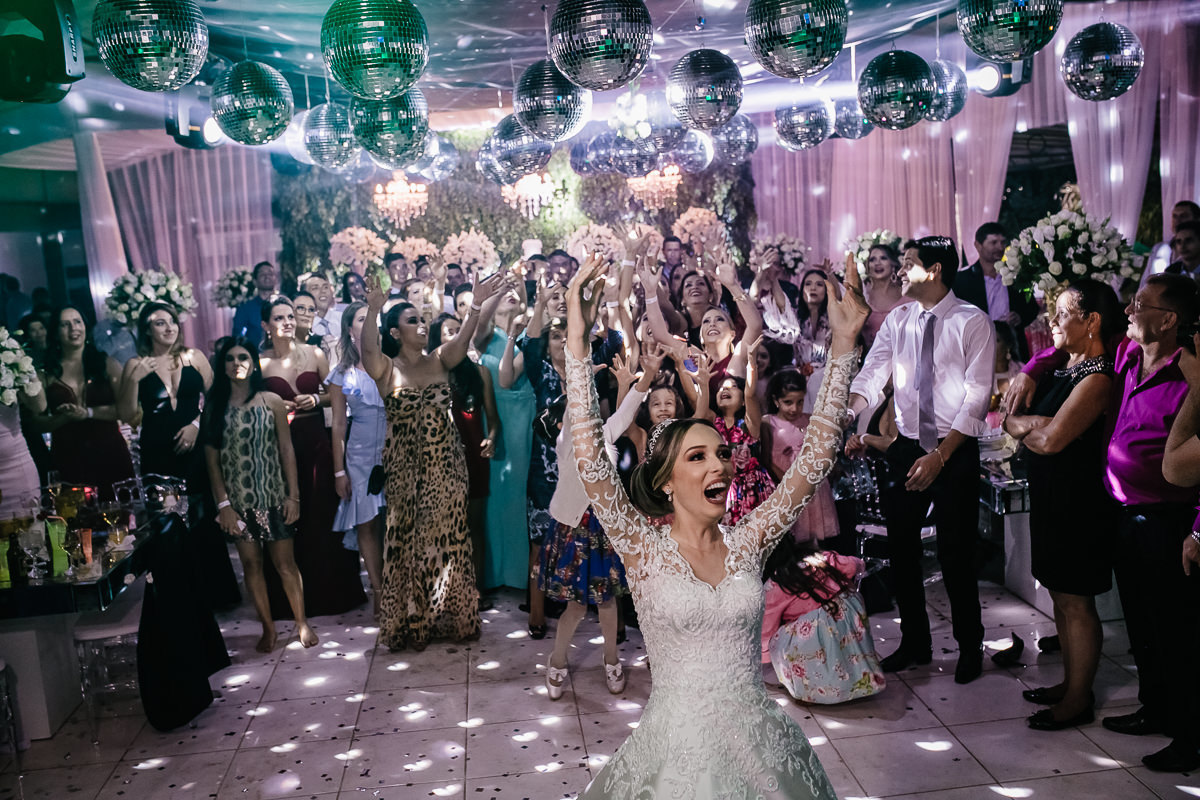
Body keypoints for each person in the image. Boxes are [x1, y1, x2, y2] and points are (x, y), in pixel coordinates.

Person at [563, 252, 867, 799]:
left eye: (721, 454)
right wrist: (578, 343)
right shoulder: (641, 548)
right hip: (675, 760)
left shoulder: (749, 541)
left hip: (763, 752)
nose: (719, 467)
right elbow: (589, 457)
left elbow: (816, 456)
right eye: (698, 457)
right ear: (666, 482)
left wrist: (844, 347)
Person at [1007, 273, 1200, 771]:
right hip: (1124, 512)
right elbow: (1071, 350)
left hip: (1169, 515)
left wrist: (1198, 527)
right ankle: (1155, 708)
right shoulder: (1128, 353)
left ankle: (1190, 736)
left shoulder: (1190, 372)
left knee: (1176, 629)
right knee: (1142, 623)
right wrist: (1030, 366)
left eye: (1141, 304)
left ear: (1169, 320)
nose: (1129, 311)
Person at [846, 237, 994, 684]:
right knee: (902, 550)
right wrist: (848, 410)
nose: (898, 271)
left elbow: (977, 398)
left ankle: (970, 646)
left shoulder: (972, 321)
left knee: (955, 554)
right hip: (907, 445)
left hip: (954, 447)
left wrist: (941, 456)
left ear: (933, 271)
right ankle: (915, 643)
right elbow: (874, 372)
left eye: (907, 263)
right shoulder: (899, 319)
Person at [1002, 280, 1121, 730]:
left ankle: (1078, 698)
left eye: (1063, 313)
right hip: (1052, 498)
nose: (1052, 320)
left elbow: (1051, 441)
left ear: (1091, 321)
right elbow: (1014, 422)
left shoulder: (1098, 377)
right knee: (1059, 594)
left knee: (1076, 600)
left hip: (1080, 504)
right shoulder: (1063, 367)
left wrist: (1030, 427)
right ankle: (1071, 682)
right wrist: (1035, 423)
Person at [360, 271, 502, 650]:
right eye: (413, 321)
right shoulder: (387, 369)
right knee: (408, 544)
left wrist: (476, 305)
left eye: (423, 320)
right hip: (404, 471)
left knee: (449, 541)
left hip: (447, 467)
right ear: (395, 333)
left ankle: (451, 618)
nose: (423, 326)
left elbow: (463, 340)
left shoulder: (440, 359)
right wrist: (373, 310)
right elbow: (367, 353)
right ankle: (413, 622)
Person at [541, 350, 655, 699]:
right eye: (580, 408)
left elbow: (628, 408)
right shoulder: (567, 441)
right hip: (574, 530)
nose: (586, 413)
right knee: (576, 606)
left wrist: (648, 375)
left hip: (603, 530)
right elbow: (573, 412)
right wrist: (581, 379)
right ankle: (557, 660)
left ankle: (611, 659)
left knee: (607, 603)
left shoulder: (605, 433)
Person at [117, 302, 240, 608]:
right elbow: (128, 415)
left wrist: (197, 425)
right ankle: (181, 599)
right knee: (168, 522)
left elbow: (216, 399)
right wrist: (133, 380)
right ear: (147, 330)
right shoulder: (135, 365)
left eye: (172, 321)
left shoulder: (193, 356)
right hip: (158, 452)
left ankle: (217, 596)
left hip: (196, 450)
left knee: (202, 519)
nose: (169, 327)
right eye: (160, 323)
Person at [204, 337, 316, 653]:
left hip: (274, 496)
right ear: (222, 366)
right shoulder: (214, 407)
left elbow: (286, 450)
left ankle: (302, 622)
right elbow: (212, 461)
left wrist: (293, 497)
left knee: (286, 564)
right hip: (238, 504)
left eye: (243, 357)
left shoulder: (271, 401)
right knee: (252, 566)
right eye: (230, 359)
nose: (236, 363)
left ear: (253, 363)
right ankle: (268, 628)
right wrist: (224, 506)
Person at [259, 297, 365, 618]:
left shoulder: (315, 354)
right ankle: (291, 600)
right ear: (266, 326)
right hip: (279, 446)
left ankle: (333, 594)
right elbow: (249, 401)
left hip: (315, 442)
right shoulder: (259, 363)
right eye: (279, 318)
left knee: (322, 514)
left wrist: (315, 400)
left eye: (290, 316)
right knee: (290, 517)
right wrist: (273, 406)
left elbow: (336, 395)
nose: (288, 322)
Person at [761, 535, 883, 705]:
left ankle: (819, 689)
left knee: (780, 638)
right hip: (849, 617)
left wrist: (766, 661)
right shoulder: (820, 558)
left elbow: (766, 631)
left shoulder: (775, 584)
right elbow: (854, 565)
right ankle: (858, 677)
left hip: (816, 630)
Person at [429, 313, 500, 598]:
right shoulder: (430, 372)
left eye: (460, 330)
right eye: (450, 331)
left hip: (474, 458)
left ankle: (475, 590)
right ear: (437, 339)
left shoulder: (480, 373)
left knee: (474, 527)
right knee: (442, 529)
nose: (458, 335)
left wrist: (491, 438)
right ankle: (444, 593)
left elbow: (493, 420)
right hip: (439, 460)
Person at [474, 278, 536, 594]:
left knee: (519, 493)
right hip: (492, 416)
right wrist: (495, 291)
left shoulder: (530, 333)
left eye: (514, 290)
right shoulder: (485, 336)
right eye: (504, 293)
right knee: (493, 494)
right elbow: (480, 320)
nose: (510, 293)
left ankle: (521, 574)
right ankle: (493, 573)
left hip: (524, 417)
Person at [37, 306, 134, 499]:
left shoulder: (106, 363)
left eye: (77, 322)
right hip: (68, 455)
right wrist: (64, 418)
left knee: (121, 512)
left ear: (85, 327)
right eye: (65, 324)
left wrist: (88, 413)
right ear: (55, 332)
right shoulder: (46, 373)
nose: (73, 328)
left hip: (109, 452)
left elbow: (125, 411)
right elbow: (36, 423)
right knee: (77, 514)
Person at [328, 302, 387, 617]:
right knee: (367, 522)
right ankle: (378, 590)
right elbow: (338, 424)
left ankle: (398, 586)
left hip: (395, 451)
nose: (369, 323)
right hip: (360, 455)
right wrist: (339, 471)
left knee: (394, 522)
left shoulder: (392, 363)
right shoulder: (342, 373)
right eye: (362, 319)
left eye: (373, 318)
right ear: (350, 330)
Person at [761, 368, 840, 543]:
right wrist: (790, 484)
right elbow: (766, 459)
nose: (794, 408)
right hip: (785, 486)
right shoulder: (768, 422)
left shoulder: (811, 420)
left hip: (812, 487)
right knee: (791, 536)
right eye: (788, 402)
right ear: (776, 400)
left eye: (800, 402)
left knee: (813, 537)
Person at [955, 223, 1039, 361]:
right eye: (993, 242)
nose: (1000, 247)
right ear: (978, 245)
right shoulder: (962, 280)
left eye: (1003, 242)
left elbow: (1032, 308)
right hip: (977, 349)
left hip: (1013, 350)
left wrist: (1019, 317)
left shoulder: (1016, 276)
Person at [0, 350, 44, 518]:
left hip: (16, 471)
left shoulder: (6, 348)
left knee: (29, 531)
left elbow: (39, 406)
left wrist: (26, 370)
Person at [795, 268, 833, 414]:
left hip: (827, 378)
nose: (813, 288)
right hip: (799, 376)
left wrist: (830, 276)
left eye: (819, 284)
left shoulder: (833, 318)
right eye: (808, 284)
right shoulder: (796, 317)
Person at [861, 244, 912, 350]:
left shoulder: (907, 293)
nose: (877, 263)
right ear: (868, 266)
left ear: (893, 264)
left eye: (883, 258)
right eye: (872, 259)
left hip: (903, 354)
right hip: (868, 355)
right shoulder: (862, 294)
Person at [232, 261, 278, 347]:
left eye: (270, 274)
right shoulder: (245, 308)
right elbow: (237, 336)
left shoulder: (284, 304)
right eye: (262, 274)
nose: (267, 276)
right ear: (255, 281)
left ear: (275, 279)